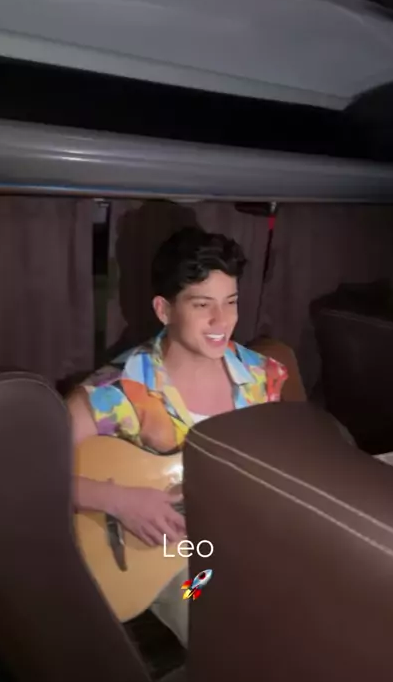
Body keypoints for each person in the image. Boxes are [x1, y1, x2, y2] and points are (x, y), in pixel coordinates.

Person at [67, 226, 288, 646]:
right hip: (175, 560)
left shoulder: (263, 377)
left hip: (242, 538)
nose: (222, 321)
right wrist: (118, 499)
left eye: (231, 302)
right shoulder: (117, 391)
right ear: (164, 310)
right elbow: (28, 478)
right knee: (212, 614)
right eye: (202, 305)